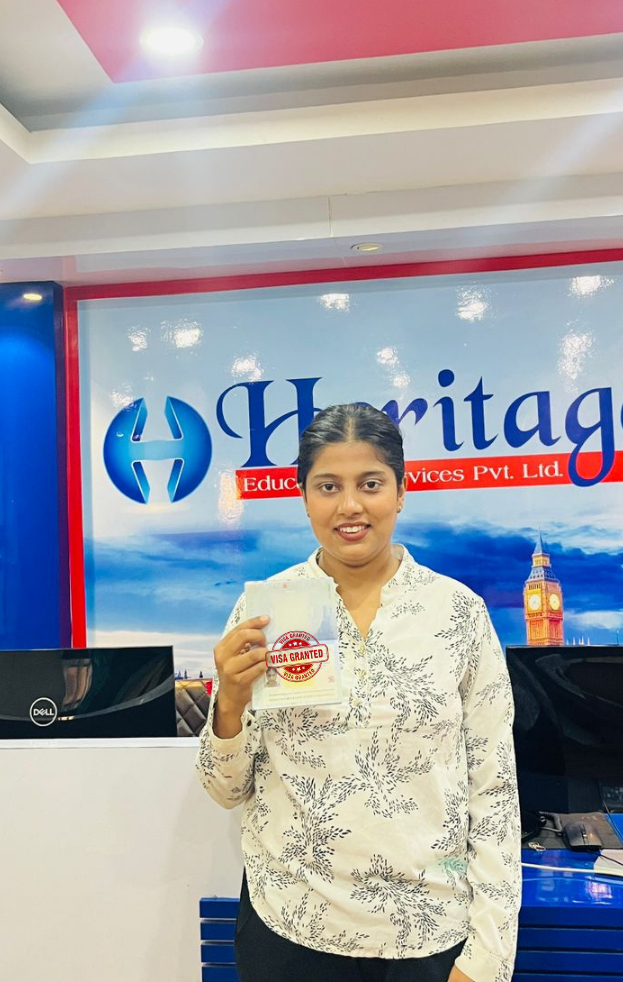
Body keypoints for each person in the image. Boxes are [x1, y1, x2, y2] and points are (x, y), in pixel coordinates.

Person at [196, 404, 520, 982]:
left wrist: (488, 955)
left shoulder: (457, 613)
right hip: (289, 926)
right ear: (304, 496)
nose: (350, 506)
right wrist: (230, 704)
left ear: (401, 492)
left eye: (370, 484)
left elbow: (493, 789)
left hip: (429, 932)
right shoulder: (265, 611)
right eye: (328, 486)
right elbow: (225, 790)